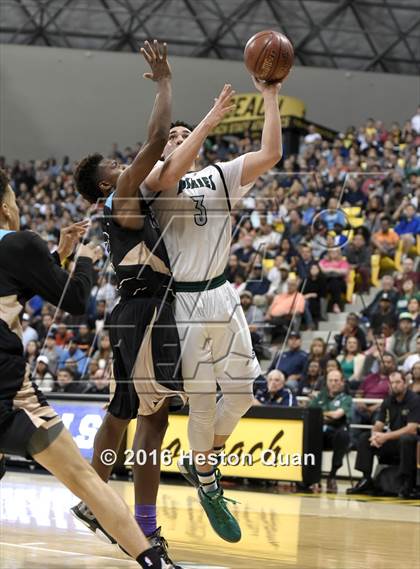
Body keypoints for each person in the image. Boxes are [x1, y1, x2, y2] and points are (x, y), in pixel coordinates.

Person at [0, 170, 169, 569]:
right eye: (17, 203)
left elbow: (15, 290)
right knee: (86, 481)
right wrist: (87, 261)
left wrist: (55, 258)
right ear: (7, 209)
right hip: (7, 391)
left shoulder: (19, 252)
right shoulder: (19, 243)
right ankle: (151, 561)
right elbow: (76, 300)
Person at [140, 76, 282, 542]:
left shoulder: (220, 174)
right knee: (201, 403)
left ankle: (199, 461)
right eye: (173, 139)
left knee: (242, 394)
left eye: (186, 136)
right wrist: (207, 121)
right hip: (184, 301)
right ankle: (207, 482)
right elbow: (169, 168)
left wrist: (270, 96)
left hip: (222, 293)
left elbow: (271, 155)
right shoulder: (154, 183)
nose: (180, 141)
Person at [72, 42, 184, 566]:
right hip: (144, 310)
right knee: (153, 419)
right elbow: (158, 139)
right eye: (117, 165)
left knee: (122, 411)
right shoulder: (122, 197)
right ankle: (141, 526)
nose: (126, 165)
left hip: (136, 311)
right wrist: (164, 84)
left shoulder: (128, 201)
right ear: (105, 184)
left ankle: (95, 499)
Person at [347, 371, 420, 498]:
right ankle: (366, 479)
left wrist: (385, 436)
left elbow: (411, 429)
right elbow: (379, 424)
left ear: (405, 384)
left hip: (412, 443)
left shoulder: (414, 400)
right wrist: (375, 435)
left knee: (406, 439)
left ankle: (407, 483)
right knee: (365, 438)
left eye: (398, 382)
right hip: (393, 441)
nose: (394, 386)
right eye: (392, 383)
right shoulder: (388, 400)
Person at [309, 370, 352, 493]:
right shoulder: (320, 397)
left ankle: (332, 475)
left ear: (342, 382)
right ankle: (314, 478)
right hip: (320, 434)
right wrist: (328, 415)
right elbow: (310, 413)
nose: (333, 383)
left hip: (336, 435)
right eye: (331, 380)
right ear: (326, 382)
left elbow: (338, 415)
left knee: (342, 435)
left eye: (336, 380)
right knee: (311, 435)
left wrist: (322, 415)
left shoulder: (346, 398)